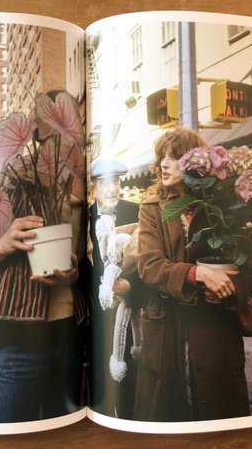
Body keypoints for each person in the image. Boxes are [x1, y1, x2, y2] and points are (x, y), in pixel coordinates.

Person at [133, 127, 252, 422]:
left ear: (195, 164)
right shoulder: (152, 209)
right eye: (162, 156)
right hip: (167, 332)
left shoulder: (224, 207)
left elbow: (251, 270)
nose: (163, 163)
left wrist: (228, 287)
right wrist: (196, 274)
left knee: (217, 422)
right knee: (169, 419)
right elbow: (149, 264)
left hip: (214, 333)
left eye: (173, 157)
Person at [0, 193, 87, 423]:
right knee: (8, 439)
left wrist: (76, 275)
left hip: (70, 339)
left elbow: (88, 258)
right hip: (15, 344)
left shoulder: (74, 189)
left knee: (64, 438)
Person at [88, 158, 143, 419]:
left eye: (116, 182)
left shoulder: (137, 212)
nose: (112, 189)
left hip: (132, 318)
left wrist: (131, 284)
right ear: (94, 190)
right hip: (95, 323)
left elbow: (149, 259)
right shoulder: (83, 219)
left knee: (132, 391)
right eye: (105, 183)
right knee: (100, 397)